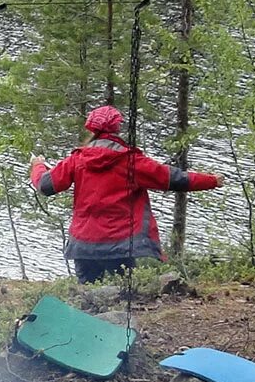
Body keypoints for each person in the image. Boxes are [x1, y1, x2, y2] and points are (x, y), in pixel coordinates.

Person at [29, 106, 222, 282]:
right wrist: (211, 180)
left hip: (83, 245)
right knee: (122, 297)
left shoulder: (77, 159)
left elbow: (46, 186)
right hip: (119, 246)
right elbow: (173, 179)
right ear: (117, 129)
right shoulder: (131, 162)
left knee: (86, 299)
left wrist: (37, 165)